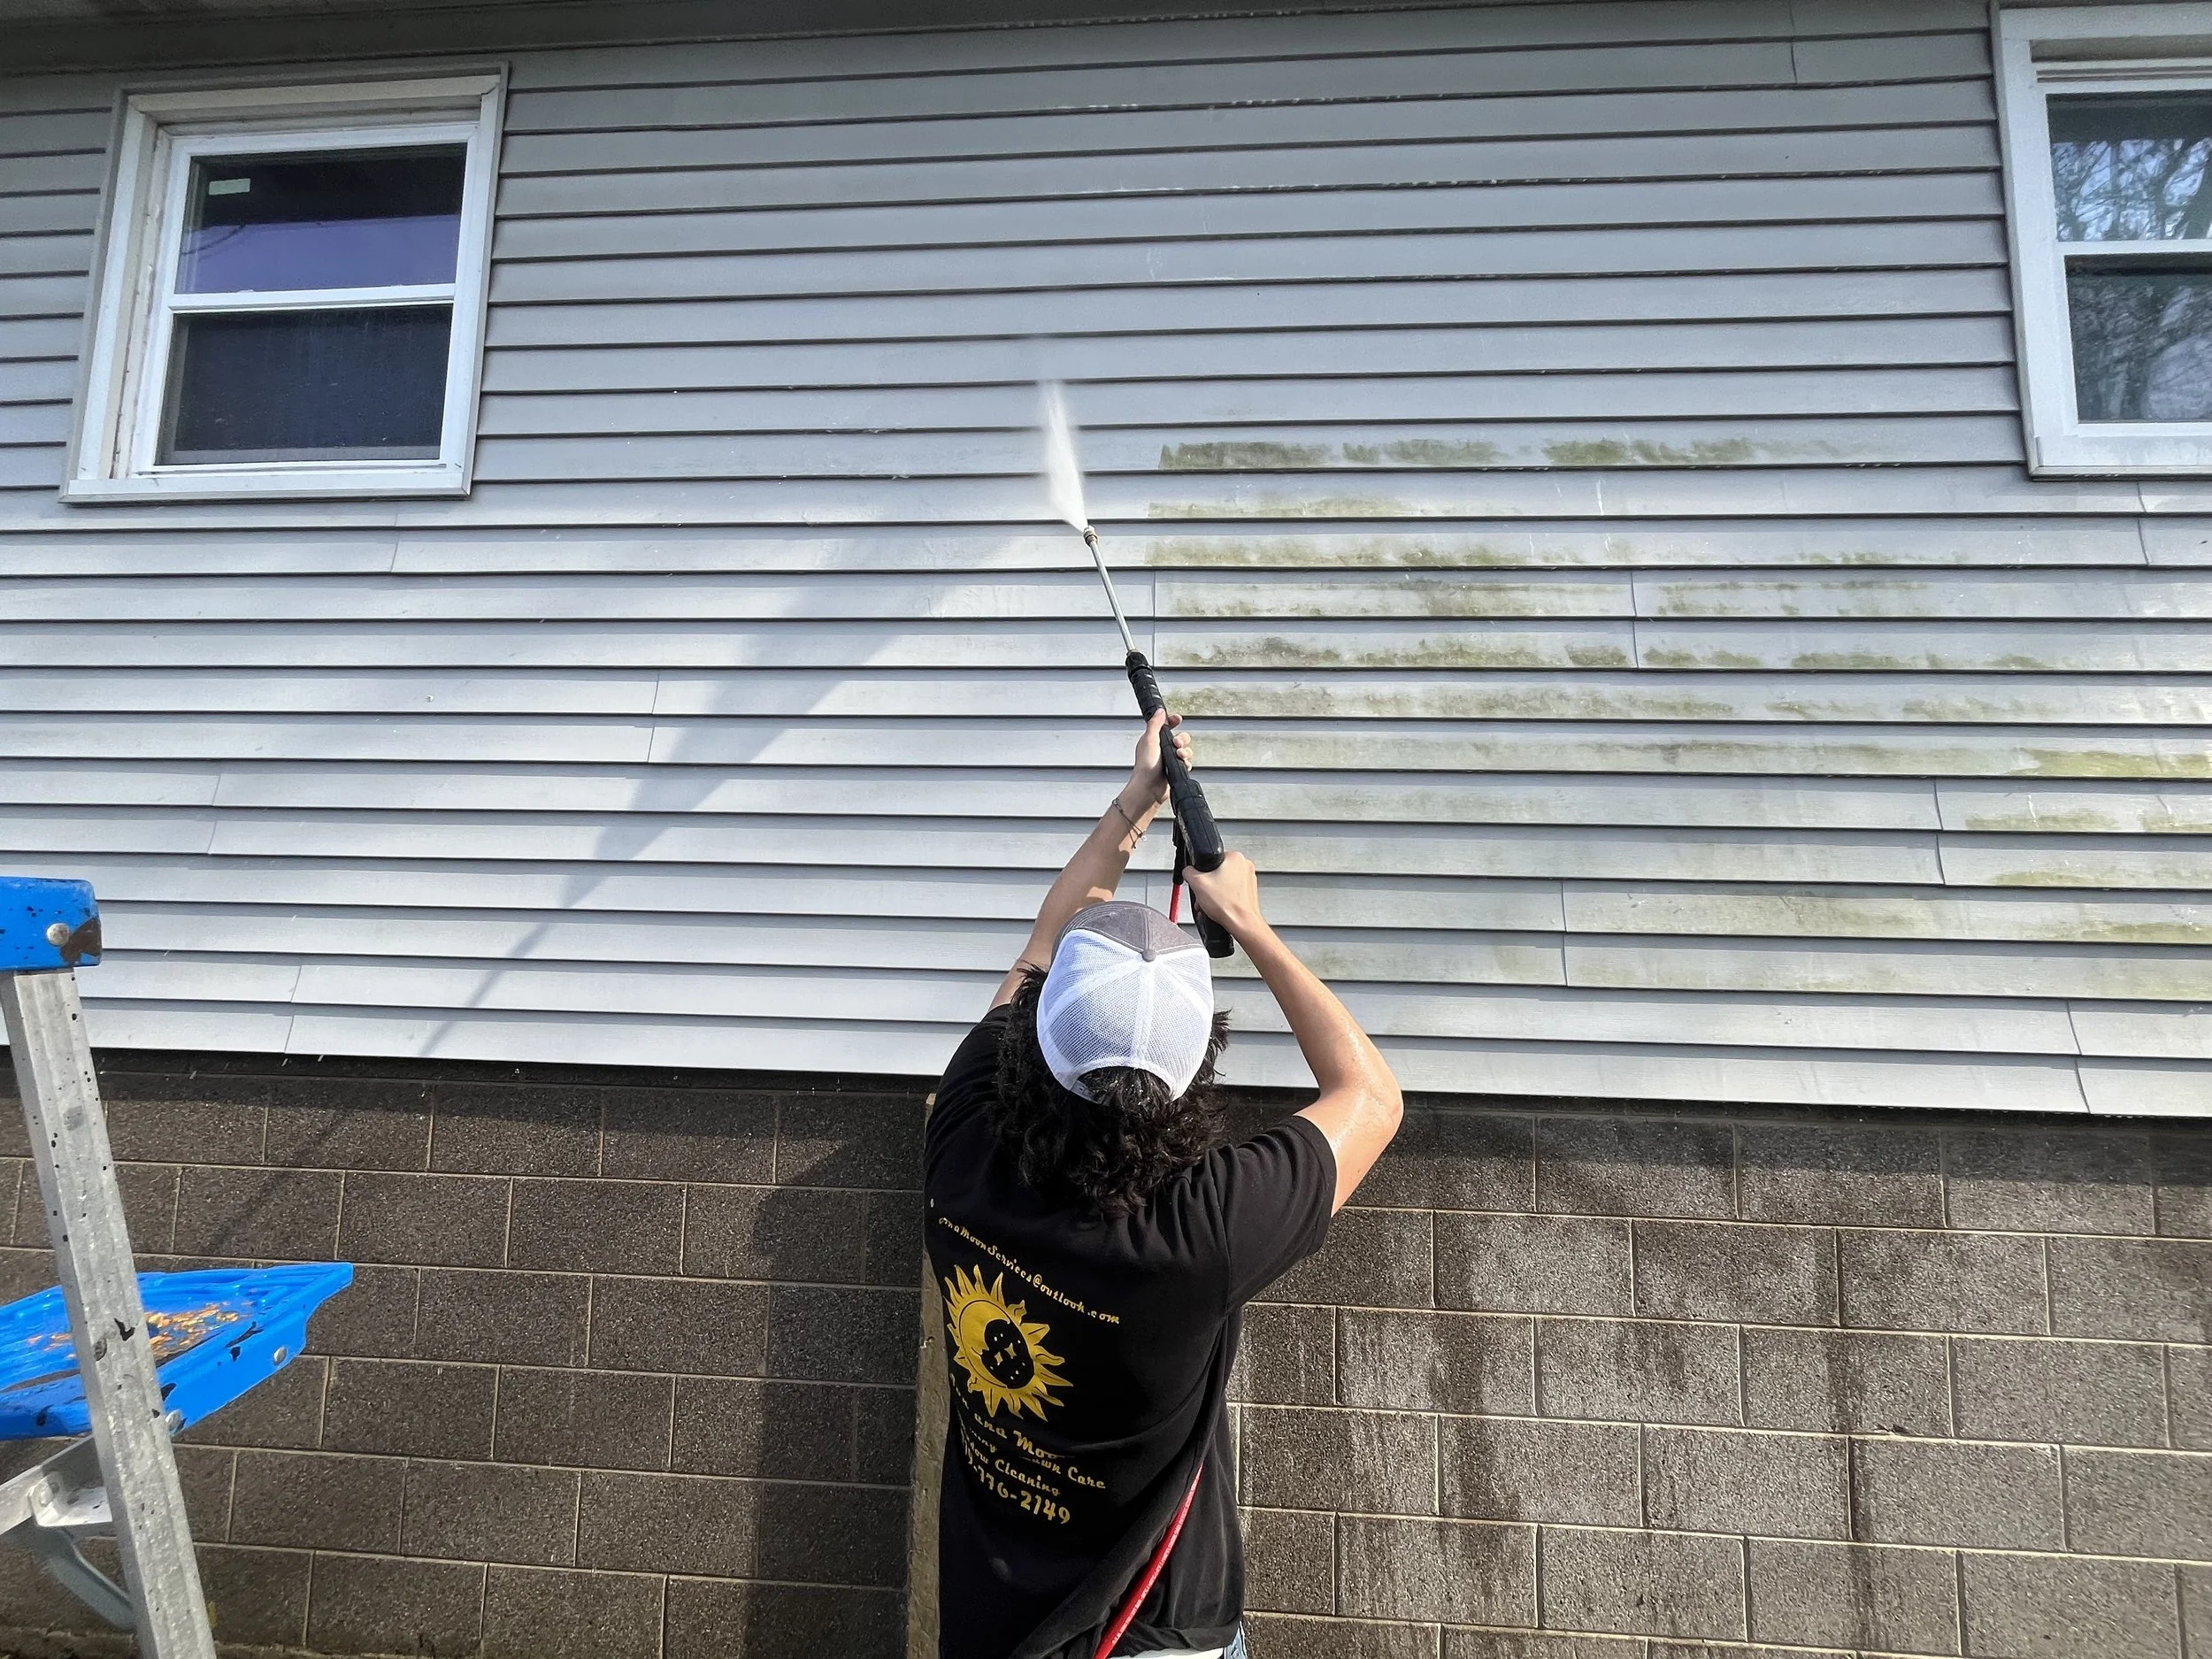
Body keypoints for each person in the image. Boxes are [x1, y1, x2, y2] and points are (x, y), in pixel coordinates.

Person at [924, 709, 1404, 1659]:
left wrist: (1127, 809)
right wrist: (1247, 922)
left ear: (1037, 1032)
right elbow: (1370, 1097)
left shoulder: (961, 1131)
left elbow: (1037, 947)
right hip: (1151, 1632)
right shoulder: (1202, 1231)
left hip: (990, 1617)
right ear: (1195, 1069)